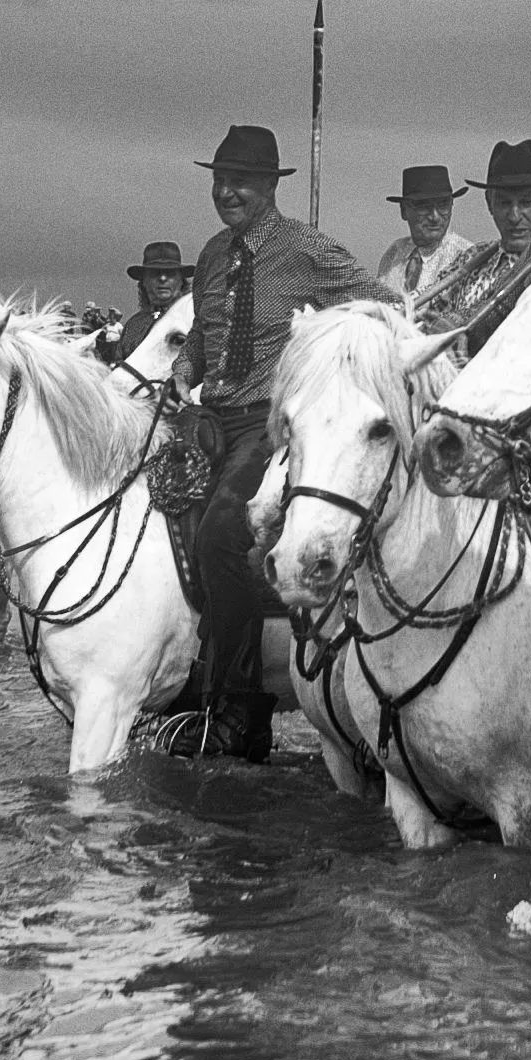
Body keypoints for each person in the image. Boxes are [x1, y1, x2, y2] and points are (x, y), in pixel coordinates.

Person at [169, 123, 384, 756]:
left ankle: (239, 704)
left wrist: (335, 367)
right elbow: (205, 342)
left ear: (269, 186)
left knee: (220, 534)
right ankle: (172, 674)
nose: (227, 192)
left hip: (271, 423)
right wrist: (183, 374)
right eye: (219, 181)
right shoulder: (210, 254)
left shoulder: (309, 249)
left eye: (240, 182)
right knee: (157, 519)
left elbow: (380, 303)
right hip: (210, 417)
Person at [420, 140, 531, 354]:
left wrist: (459, 321)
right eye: (504, 203)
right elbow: (428, 314)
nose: (514, 216)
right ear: (489, 203)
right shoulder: (470, 259)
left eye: (527, 203)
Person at [376, 164, 485, 312]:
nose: (434, 216)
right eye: (423, 207)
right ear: (404, 211)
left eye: (443, 205)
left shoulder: (468, 257)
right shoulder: (394, 253)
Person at [107, 243, 191, 364]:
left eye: (170, 273)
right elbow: (119, 364)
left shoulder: (194, 323)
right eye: (155, 273)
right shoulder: (133, 326)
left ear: (181, 281)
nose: (162, 278)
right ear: (144, 281)